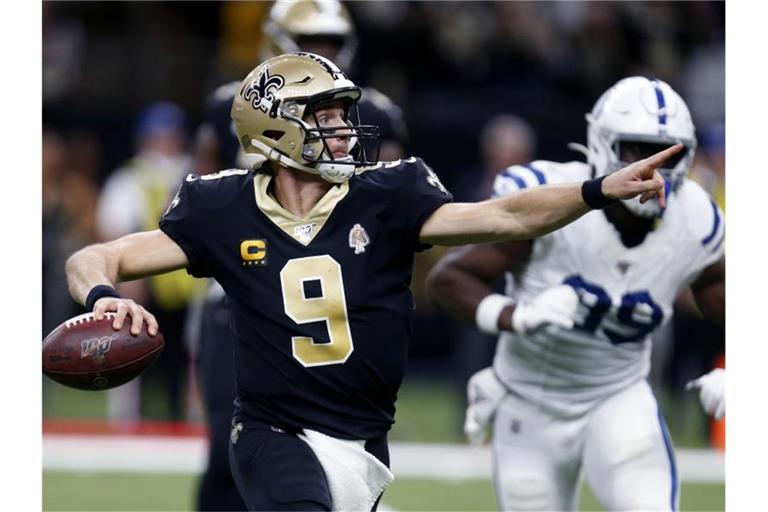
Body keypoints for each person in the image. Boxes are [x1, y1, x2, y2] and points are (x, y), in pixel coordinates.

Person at [64, 54, 677, 511]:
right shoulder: (221, 208)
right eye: (325, 116)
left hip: (363, 439)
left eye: (342, 115)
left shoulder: (386, 195)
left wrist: (598, 190)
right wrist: (105, 297)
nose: (343, 129)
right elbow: (94, 258)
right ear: (276, 129)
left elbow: (505, 216)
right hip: (273, 432)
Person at [426, 76, 724, 511]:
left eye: (669, 153)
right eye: (638, 150)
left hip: (618, 397)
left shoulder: (696, 218)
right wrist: (516, 316)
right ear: (602, 145)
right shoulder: (552, 197)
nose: (652, 168)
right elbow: (449, 280)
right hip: (529, 401)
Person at [190, 2, 408, 510]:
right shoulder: (232, 106)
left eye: (332, 42)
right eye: (311, 41)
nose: (323, 52)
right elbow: (201, 183)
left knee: (344, 447)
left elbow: (394, 209)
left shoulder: (373, 112)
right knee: (230, 444)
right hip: (245, 288)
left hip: (332, 290)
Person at [95, 101, 203, 421]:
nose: (164, 143)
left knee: (194, 357)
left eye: (169, 136)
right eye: (158, 136)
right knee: (130, 348)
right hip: (146, 279)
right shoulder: (130, 178)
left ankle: (192, 419)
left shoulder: (194, 172)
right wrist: (126, 276)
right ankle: (128, 419)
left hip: (191, 279)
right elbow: (111, 229)